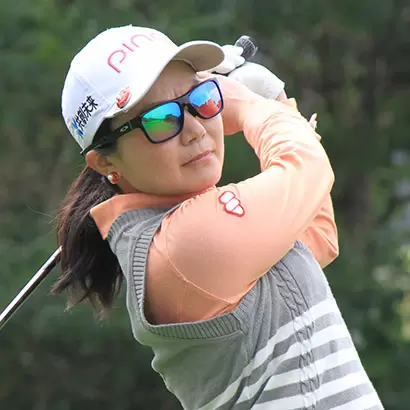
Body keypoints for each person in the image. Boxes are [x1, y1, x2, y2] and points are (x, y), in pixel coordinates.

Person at [54, 25, 384, 410]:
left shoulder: (185, 234)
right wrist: (244, 104)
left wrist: (275, 102)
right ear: (105, 162)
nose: (195, 129)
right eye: (160, 120)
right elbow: (307, 168)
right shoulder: (180, 246)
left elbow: (317, 236)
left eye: (200, 99)